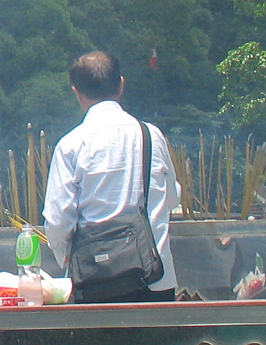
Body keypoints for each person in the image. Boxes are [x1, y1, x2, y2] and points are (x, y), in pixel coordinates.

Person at [41, 50, 180, 303]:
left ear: (77, 92)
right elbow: (171, 199)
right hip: (154, 280)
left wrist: (67, 258)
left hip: (96, 282)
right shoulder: (151, 135)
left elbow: (58, 220)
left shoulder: (71, 145)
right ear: (121, 85)